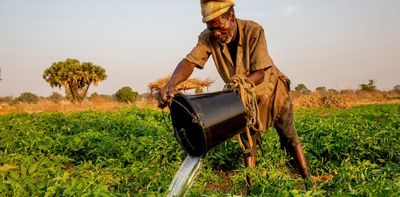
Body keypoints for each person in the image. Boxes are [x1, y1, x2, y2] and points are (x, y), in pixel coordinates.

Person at [159, 0, 311, 188]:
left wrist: (240, 87)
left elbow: (260, 72)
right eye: (211, 29)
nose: (216, 34)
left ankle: (307, 180)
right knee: (247, 143)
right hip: (244, 98)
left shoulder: (254, 31)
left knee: (289, 137)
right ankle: (251, 187)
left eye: (219, 27)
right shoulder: (208, 37)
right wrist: (171, 84)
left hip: (272, 91)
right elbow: (190, 62)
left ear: (231, 16)